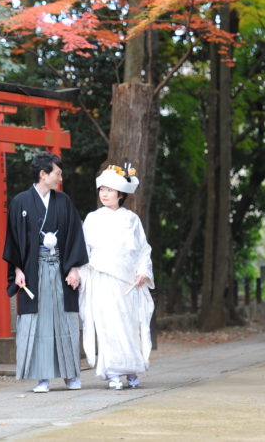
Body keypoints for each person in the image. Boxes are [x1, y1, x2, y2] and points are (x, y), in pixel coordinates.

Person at [2, 151, 88, 393]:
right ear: (43, 174)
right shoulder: (20, 202)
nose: (60, 177)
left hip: (60, 269)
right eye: (57, 173)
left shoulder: (64, 202)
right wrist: (17, 269)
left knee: (64, 319)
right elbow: (14, 240)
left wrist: (73, 268)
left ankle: (71, 375)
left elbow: (74, 235)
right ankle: (42, 377)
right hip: (33, 270)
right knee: (37, 323)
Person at [79, 164, 155, 390]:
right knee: (108, 325)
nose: (104, 194)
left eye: (109, 190)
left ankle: (131, 369)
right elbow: (85, 250)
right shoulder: (92, 218)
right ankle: (112, 372)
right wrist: (82, 274)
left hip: (128, 281)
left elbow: (143, 249)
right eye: (102, 189)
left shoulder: (131, 219)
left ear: (120, 194)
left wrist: (143, 271)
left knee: (129, 325)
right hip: (102, 279)